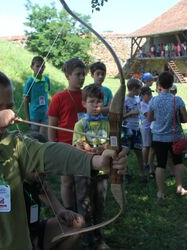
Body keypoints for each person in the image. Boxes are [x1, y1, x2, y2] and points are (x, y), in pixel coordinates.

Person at [0, 67, 127, 250]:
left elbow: (51, 152)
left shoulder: (18, 143)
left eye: (9, 106)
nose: (6, 113)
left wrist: (96, 162)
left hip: (12, 243)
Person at [24, 131, 84, 250]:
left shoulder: (36, 180)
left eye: (44, 163)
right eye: (37, 164)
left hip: (34, 231)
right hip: (19, 237)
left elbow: (44, 189)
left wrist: (60, 210)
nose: (43, 171)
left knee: (76, 223)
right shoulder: (13, 185)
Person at [72, 84, 111, 250]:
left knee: (99, 204)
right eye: (92, 102)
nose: (96, 105)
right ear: (84, 103)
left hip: (102, 171)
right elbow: (78, 144)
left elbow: (110, 143)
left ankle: (98, 237)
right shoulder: (80, 125)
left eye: (99, 102)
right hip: (84, 171)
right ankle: (87, 238)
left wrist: (101, 149)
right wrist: (87, 148)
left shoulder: (106, 124)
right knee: (85, 204)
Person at [47, 58, 87, 211]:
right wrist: (52, 145)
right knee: (67, 181)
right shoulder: (59, 97)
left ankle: (82, 207)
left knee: (82, 179)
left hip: (84, 144)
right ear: (68, 76)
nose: (82, 78)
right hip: (64, 144)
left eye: (83, 74)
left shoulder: (87, 96)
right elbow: (52, 124)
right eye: (78, 74)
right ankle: (69, 210)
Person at [148, 71, 187, 199]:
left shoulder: (154, 100)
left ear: (159, 84)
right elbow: (186, 119)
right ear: (172, 84)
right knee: (178, 162)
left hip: (158, 137)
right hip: (175, 137)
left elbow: (149, 118)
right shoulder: (177, 100)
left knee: (160, 164)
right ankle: (179, 187)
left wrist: (160, 118)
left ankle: (160, 192)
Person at [122, 78, 145, 182]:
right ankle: (125, 174)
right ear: (134, 89)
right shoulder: (124, 100)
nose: (140, 91)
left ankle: (142, 173)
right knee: (124, 153)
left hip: (136, 128)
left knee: (139, 151)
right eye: (139, 89)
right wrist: (131, 113)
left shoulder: (137, 99)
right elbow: (121, 116)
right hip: (127, 129)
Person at [23, 56, 51, 135]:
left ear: (44, 67)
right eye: (37, 66)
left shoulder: (46, 80)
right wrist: (28, 117)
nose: (40, 69)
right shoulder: (30, 82)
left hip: (45, 114)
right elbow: (26, 100)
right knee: (34, 137)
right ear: (32, 67)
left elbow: (46, 94)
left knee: (42, 137)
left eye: (42, 67)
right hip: (34, 115)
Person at [139, 86, 154, 179]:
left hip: (150, 127)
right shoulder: (142, 105)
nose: (150, 96)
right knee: (146, 146)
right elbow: (149, 117)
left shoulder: (148, 103)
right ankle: (145, 163)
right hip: (145, 127)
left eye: (151, 94)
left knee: (149, 146)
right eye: (148, 94)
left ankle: (149, 162)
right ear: (142, 95)